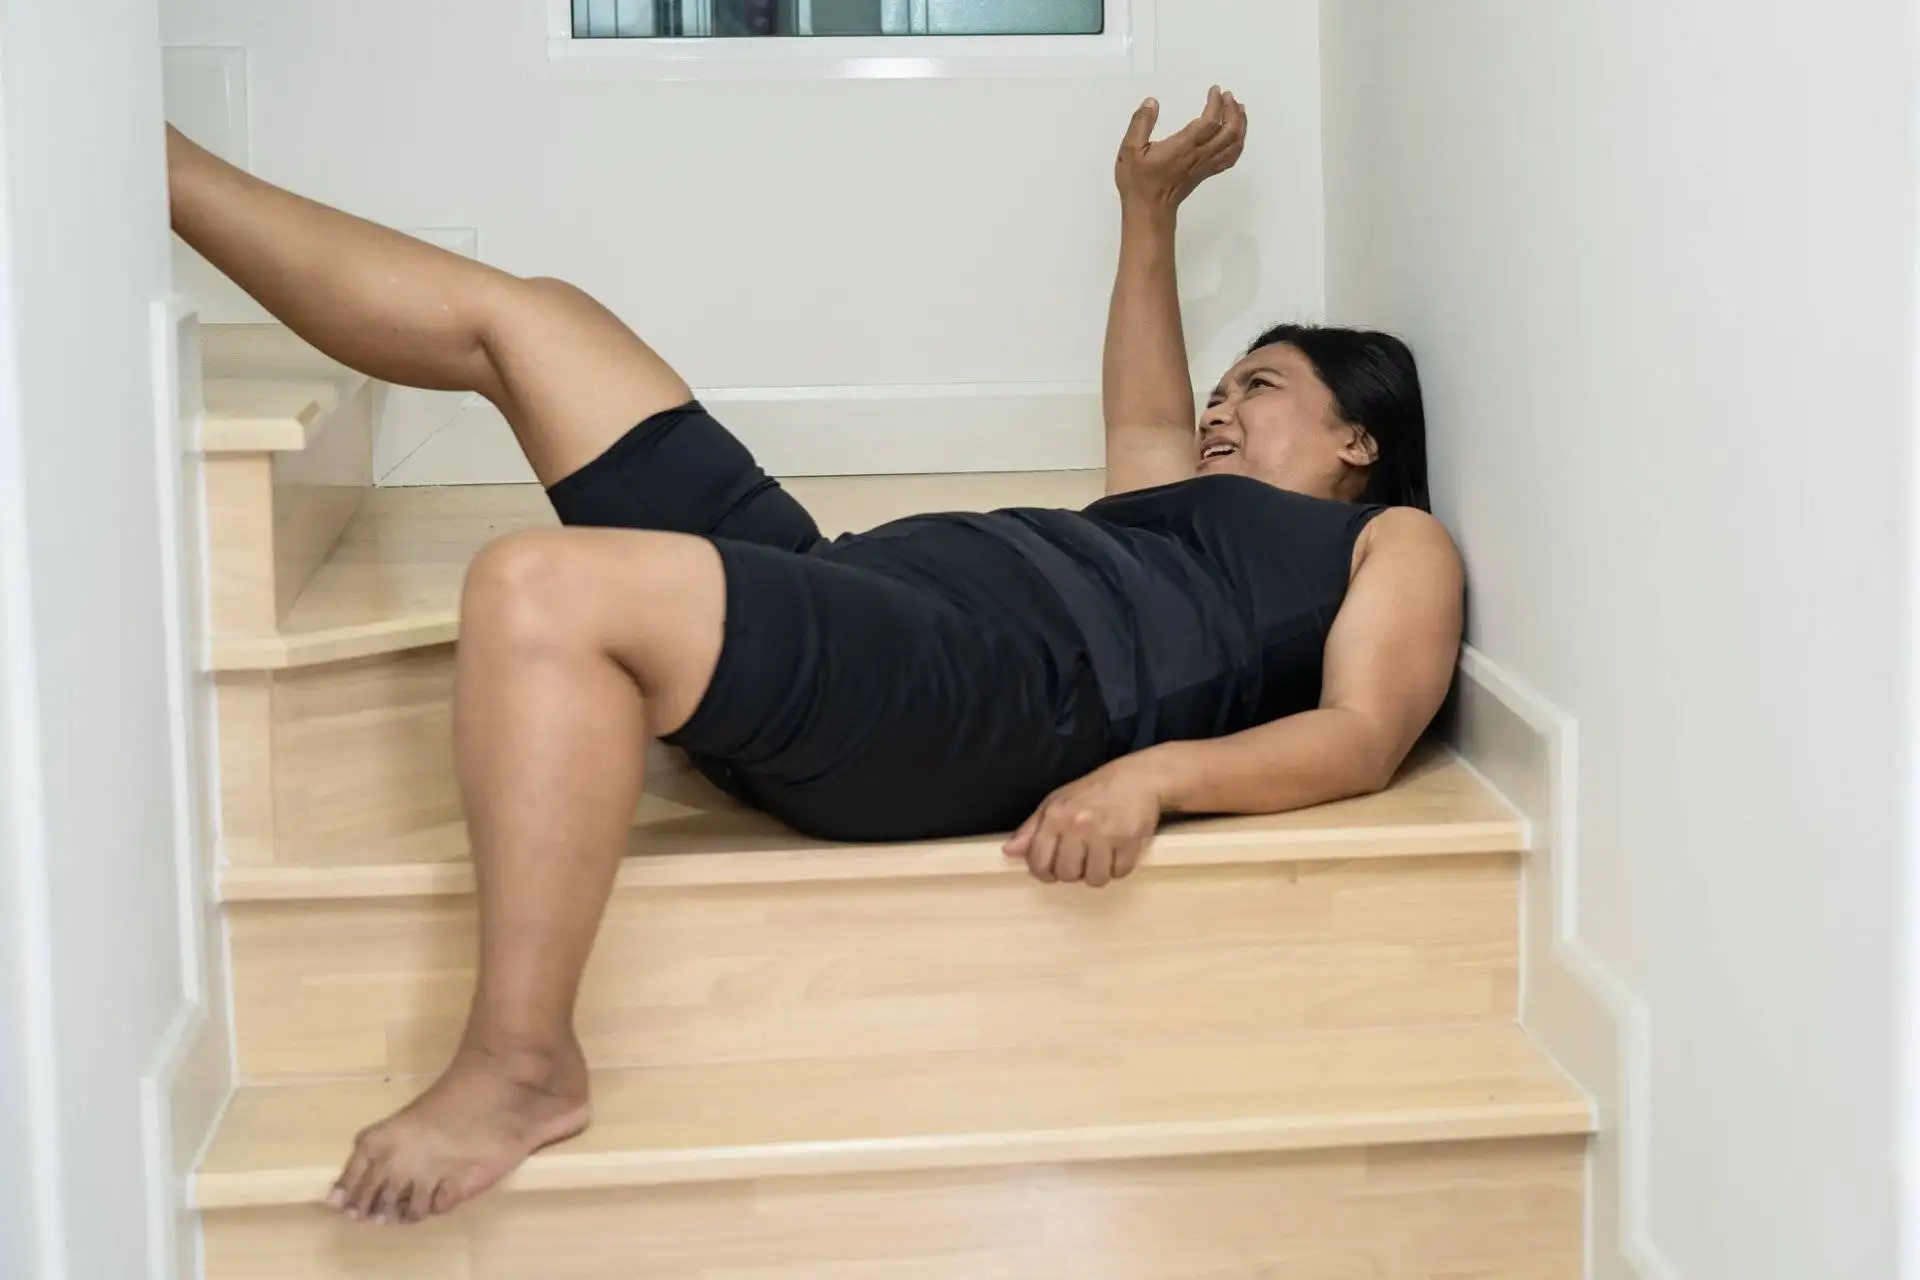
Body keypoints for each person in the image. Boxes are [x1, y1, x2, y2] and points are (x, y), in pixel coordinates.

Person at [165, 85, 1463, 1226]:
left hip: (989, 693)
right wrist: (1146, 212)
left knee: (536, 585)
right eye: (1221, 388)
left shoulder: (1389, 544)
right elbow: (1140, 410)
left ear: (1358, 439)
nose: (1220, 405)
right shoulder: (1173, 504)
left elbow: (1362, 734)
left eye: (1264, 385)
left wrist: (1155, 780)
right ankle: (152, 164)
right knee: (534, 322)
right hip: (857, 591)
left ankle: (519, 1066)